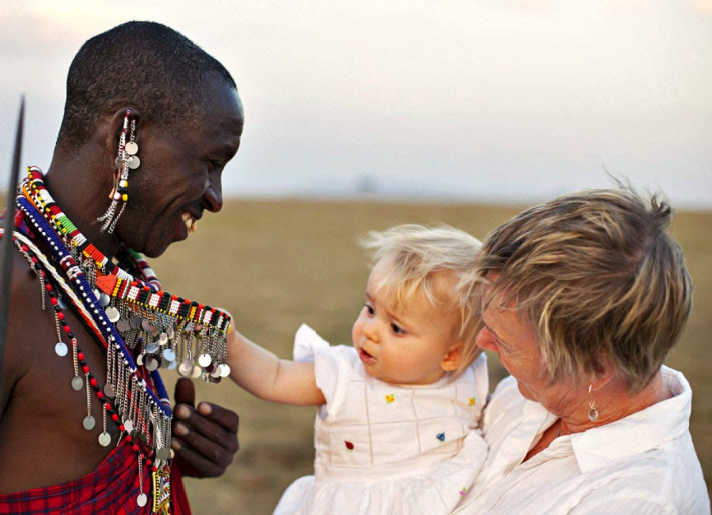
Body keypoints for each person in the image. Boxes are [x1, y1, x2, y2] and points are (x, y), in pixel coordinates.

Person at [0, 21, 244, 514]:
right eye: (211, 163)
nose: (214, 197)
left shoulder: (109, 274)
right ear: (124, 135)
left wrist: (164, 454)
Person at [454, 188, 710, 514]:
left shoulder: (638, 501)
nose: (481, 342)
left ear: (593, 368)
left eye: (505, 341)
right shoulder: (527, 394)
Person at [227, 224, 490, 514]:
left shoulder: (469, 380)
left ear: (451, 355)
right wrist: (232, 344)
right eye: (370, 309)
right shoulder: (345, 374)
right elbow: (275, 377)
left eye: (396, 328)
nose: (370, 331)